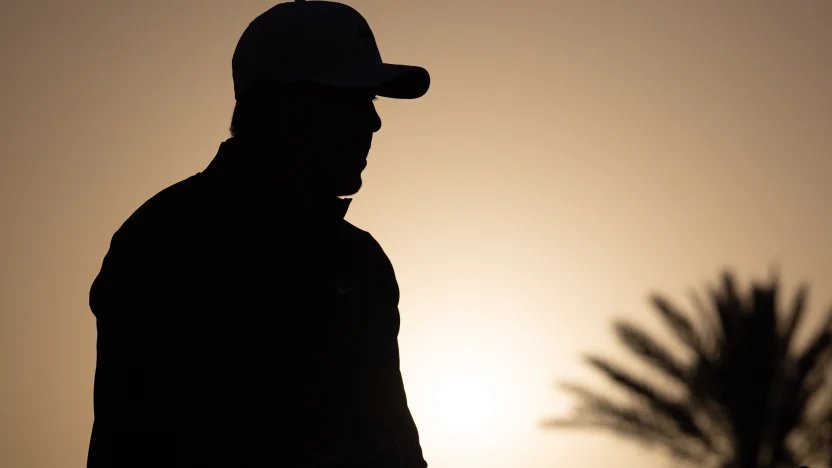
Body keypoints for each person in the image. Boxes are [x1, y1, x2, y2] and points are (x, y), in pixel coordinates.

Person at [86, 1, 430, 467]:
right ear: (281, 106)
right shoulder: (168, 246)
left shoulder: (359, 261)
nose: (373, 122)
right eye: (352, 100)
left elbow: (395, 443)